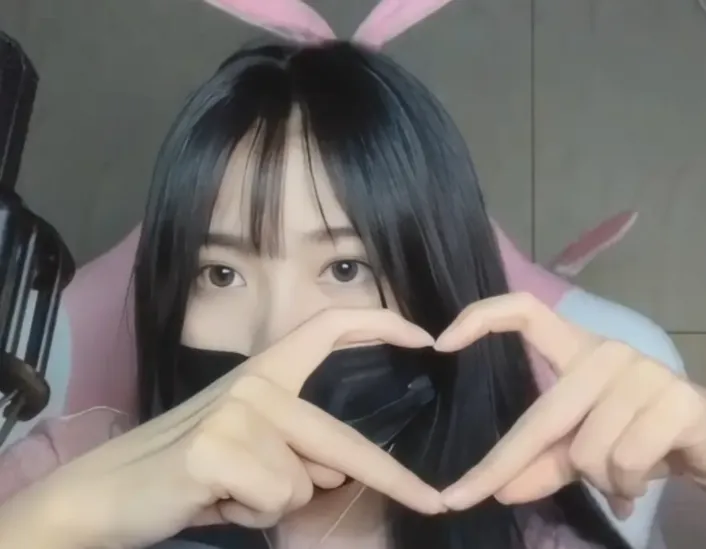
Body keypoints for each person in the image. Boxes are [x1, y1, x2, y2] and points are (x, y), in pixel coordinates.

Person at [0, 36, 704, 549]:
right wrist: (58, 524)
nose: (276, 339)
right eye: (221, 274)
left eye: (343, 269)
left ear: (436, 293)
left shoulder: (532, 538)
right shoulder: (69, 467)